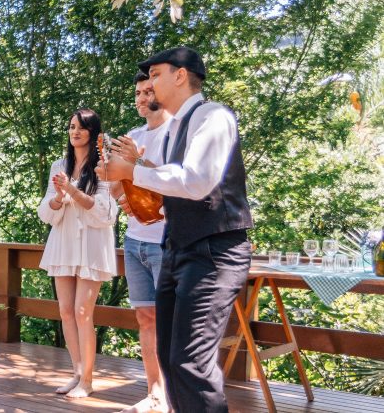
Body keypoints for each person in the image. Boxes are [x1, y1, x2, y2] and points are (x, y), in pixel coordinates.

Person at [98, 47, 254, 413]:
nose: (148, 85)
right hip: (177, 247)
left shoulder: (213, 117)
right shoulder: (174, 129)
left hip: (215, 250)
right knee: (170, 357)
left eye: (155, 75)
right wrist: (138, 199)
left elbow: (196, 182)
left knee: (192, 362)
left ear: (180, 75)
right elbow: (172, 193)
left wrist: (131, 172)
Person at [37, 108, 117, 400]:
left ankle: (88, 379)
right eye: (71, 127)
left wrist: (71, 190)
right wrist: (58, 198)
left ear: (93, 133)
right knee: (66, 311)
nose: (75, 132)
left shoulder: (104, 166)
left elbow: (106, 213)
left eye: (82, 128)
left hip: (92, 244)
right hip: (64, 241)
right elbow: (45, 210)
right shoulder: (59, 164)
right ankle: (76, 371)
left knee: (84, 313)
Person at [112, 72, 172, 413]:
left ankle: (175, 395)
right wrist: (122, 196)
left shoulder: (175, 134)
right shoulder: (132, 136)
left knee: (169, 321)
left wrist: (137, 161)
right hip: (134, 240)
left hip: (166, 241)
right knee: (145, 320)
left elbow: (176, 182)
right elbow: (118, 185)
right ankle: (154, 394)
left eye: (147, 90)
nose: (139, 97)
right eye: (136, 91)